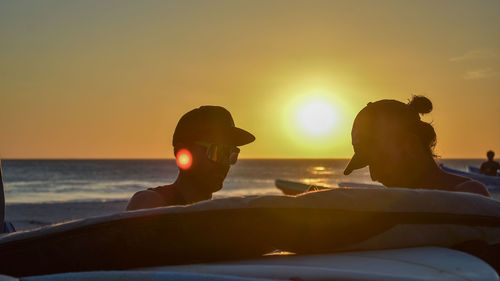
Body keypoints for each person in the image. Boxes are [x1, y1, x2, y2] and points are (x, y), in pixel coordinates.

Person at [343, 95, 490, 197]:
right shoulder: (395, 205)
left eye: (379, 160)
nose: (373, 176)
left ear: (411, 145)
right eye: (369, 165)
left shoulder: (469, 194)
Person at [126, 106, 255, 210]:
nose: (223, 164)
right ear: (182, 152)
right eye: (216, 151)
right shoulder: (151, 202)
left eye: (230, 154)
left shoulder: (215, 215)